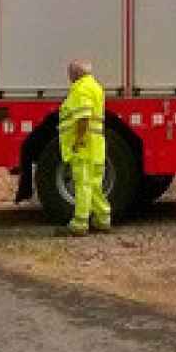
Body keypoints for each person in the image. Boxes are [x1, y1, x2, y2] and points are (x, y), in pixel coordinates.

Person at [60, 59, 110, 236]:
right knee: (94, 185)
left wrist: (79, 140)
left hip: (85, 146)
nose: (69, 77)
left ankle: (79, 224)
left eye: (70, 73)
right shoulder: (95, 87)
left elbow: (83, 117)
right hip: (96, 145)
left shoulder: (81, 89)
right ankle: (103, 218)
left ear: (75, 74)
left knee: (83, 185)